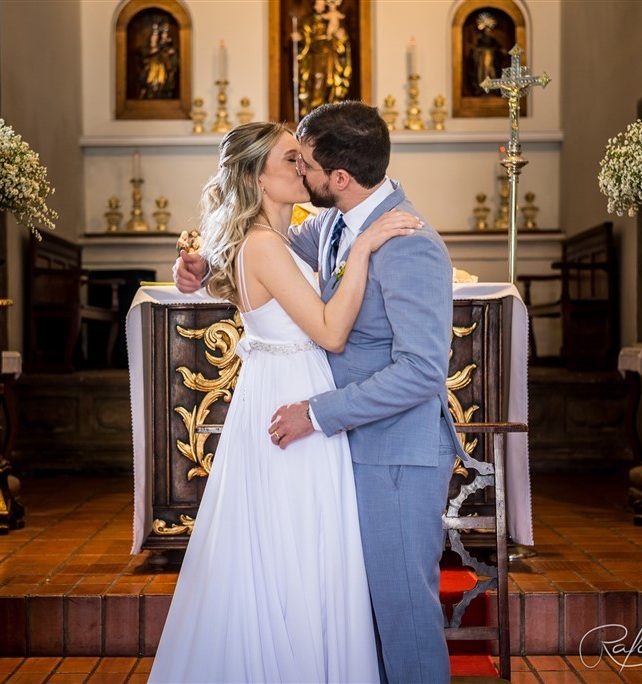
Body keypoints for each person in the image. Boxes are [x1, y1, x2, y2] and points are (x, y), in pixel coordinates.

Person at [175, 101, 462, 683]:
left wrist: (318, 412)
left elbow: (422, 372)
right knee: (358, 616)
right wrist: (201, 264)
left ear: (338, 178)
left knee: (404, 616)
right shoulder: (333, 223)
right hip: (341, 451)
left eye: (303, 163)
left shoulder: (410, 242)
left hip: (394, 456)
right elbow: (258, 243)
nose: (299, 172)